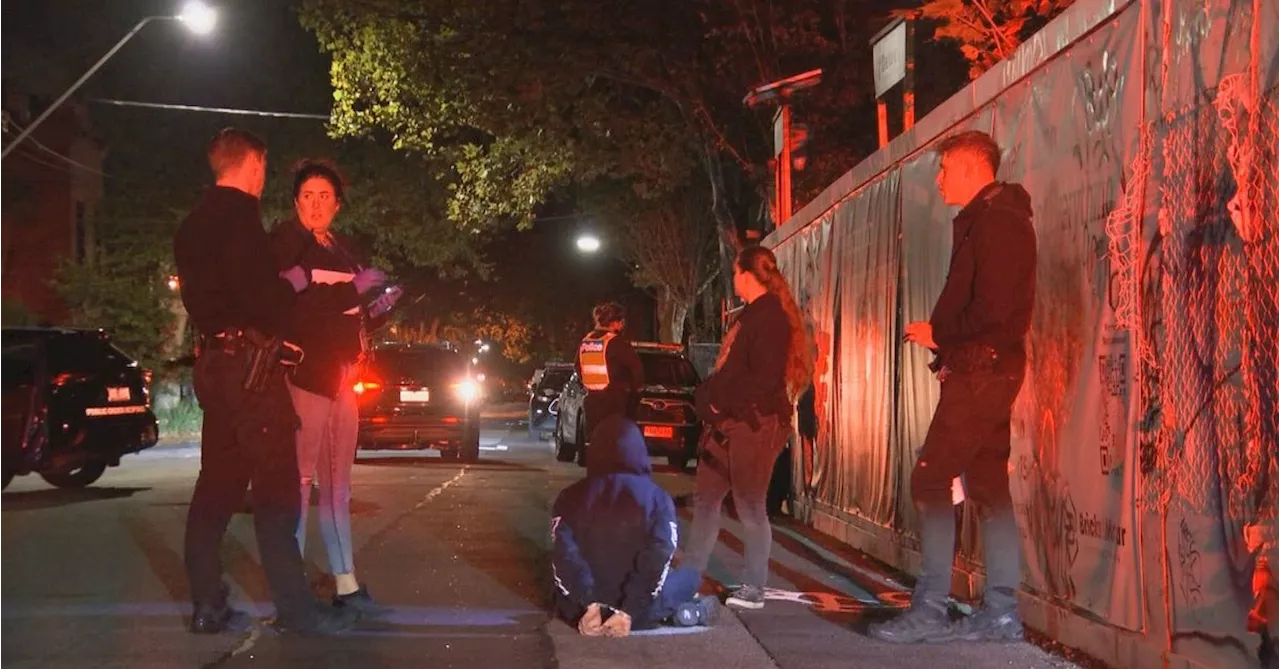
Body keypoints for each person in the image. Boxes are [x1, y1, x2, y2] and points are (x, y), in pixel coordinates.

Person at [173, 128, 384, 635]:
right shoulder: (243, 222)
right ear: (253, 165)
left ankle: (207, 604)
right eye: (264, 170)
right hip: (252, 367)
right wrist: (314, 288)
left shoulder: (190, 226)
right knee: (280, 489)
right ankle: (298, 611)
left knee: (216, 488)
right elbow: (266, 300)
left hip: (214, 364)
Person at [869, 130, 1036, 644]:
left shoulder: (999, 222)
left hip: (982, 372)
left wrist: (942, 334)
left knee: (929, 479)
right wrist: (943, 339)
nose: (939, 181)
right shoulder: (990, 220)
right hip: (980, 366)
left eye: (944, 170)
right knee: (986, 487)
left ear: (970, 168)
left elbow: (994, 310)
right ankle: (1001, 612)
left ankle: (931, 609)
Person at [269, 159, 400, 613]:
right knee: (299, 482)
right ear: (295, 202)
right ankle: (293, 585)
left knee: (338, 484)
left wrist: (381, 303)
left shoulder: (344, 249)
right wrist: (353, 292)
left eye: (326, 196)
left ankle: (345, 580)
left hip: (345, 376)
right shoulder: (285, 242)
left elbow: (356, 307)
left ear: (338, 204)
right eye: (308, 195)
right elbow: (292, 305)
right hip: (307, 377)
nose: (317, 204)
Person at [683, 246, 813, 610]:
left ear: (746, 275)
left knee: (750, 504)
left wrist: (716, 401)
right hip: (728, 422)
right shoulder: (751, 314)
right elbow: (733, 371)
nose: (732, 278)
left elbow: (763, 379)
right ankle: (689, 577)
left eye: (736, 272)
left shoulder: (770, 317)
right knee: (706, 499)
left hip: (755, 424)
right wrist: (711, 400)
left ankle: (754, 587)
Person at [551, 415, 720, 636]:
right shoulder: (657, 498)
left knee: (556, 584)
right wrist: (628, 612)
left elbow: (564, 556)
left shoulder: (569, 497)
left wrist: (589, 604)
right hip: (638, 611)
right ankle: (686, 612)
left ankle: (596, 612)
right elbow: (658, 555)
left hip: (583, 611)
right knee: (690, 577)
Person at [575, 301, 644, 441]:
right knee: (615, 443)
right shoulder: (617, 343)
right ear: (616, 323)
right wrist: (635, 391)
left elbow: (578, 366)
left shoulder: (586, 342)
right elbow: (636, 370)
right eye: (621, 322)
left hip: (592, 401)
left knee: (597, 442)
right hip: (615, 402)